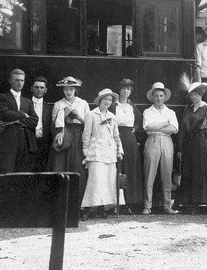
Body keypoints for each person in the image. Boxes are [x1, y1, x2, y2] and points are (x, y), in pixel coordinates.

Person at [81, 89, 124, 220]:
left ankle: (101, 209)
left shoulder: (111, 116)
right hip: (96, 151)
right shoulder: (91, 114)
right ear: (100, 100)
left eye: (110, 100)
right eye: (105, 99)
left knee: (106, 181)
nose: (107, 102)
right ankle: (87, 210)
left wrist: (119, 150)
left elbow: (116, 135)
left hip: (109, 152)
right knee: (95, 180)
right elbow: (86, 135)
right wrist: (86, 153)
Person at [178, 81, 207, 214]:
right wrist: (181, 146)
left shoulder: (206, 109)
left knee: (199, 172)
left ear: (201, 95)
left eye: (196, 94)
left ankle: (198, 203)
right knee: (188, 171)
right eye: (192, 95)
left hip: (201, 143)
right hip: (188, 143)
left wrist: (205, 140)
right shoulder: (187, 109)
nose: (194, 97)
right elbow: (183, 128)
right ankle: (187, 202)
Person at [142, 82, 179, 215]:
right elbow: (148, 126)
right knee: (149, 174)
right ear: (153, 97)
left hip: (167, 141)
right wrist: (165, 124)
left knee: (167, 174)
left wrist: (156, 125)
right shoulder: (148, 111)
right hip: (152, 140)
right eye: (156, 96)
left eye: (161, 96)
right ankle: (147, 206)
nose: (159, 98)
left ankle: (167, 206)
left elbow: (174, 129)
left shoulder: (171, 112)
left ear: (165, 97)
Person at [0, 69, 38, 174]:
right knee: (5, 172)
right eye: (17, 80)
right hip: (7, 141)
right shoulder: (2, 97)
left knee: (21, 173)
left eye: (22, 80)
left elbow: (34, 121)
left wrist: (18, 121)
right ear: (10, 81)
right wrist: (22, 115)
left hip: (23, 142)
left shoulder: (27, 101)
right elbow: (4, 113)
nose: (20, 83)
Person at [52, 76, 89, 201]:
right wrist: (64, 115)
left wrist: (78, 117)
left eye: (71, 89)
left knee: (79, 168)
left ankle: (79, 205)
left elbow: (89, 125)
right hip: (64, 136)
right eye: (66, 89)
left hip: (79, 136)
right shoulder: (58, 104)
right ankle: (63, 203)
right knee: (63, 167)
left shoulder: (83, 103)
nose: (68, 92)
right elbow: (54, 126)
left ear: (75, 89)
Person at [111, 78, 144, 214]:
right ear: (119, 90)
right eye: (124, 88)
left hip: (130, 139)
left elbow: (140, 121)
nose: (126, 91)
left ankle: (130, 203)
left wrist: (134, 129)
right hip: (117, 138)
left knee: (130, 169)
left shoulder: (132, 107)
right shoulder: (114, 106)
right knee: (118, 168)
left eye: (129, 89)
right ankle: (117, 204)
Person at [30, 76, 51, 172]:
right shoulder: (25, 104)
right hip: (29, 143)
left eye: (42, 88)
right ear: (31, 88)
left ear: (45, 90)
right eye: (36, 87)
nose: (39, 90)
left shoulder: (49, 108)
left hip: (43, 144)